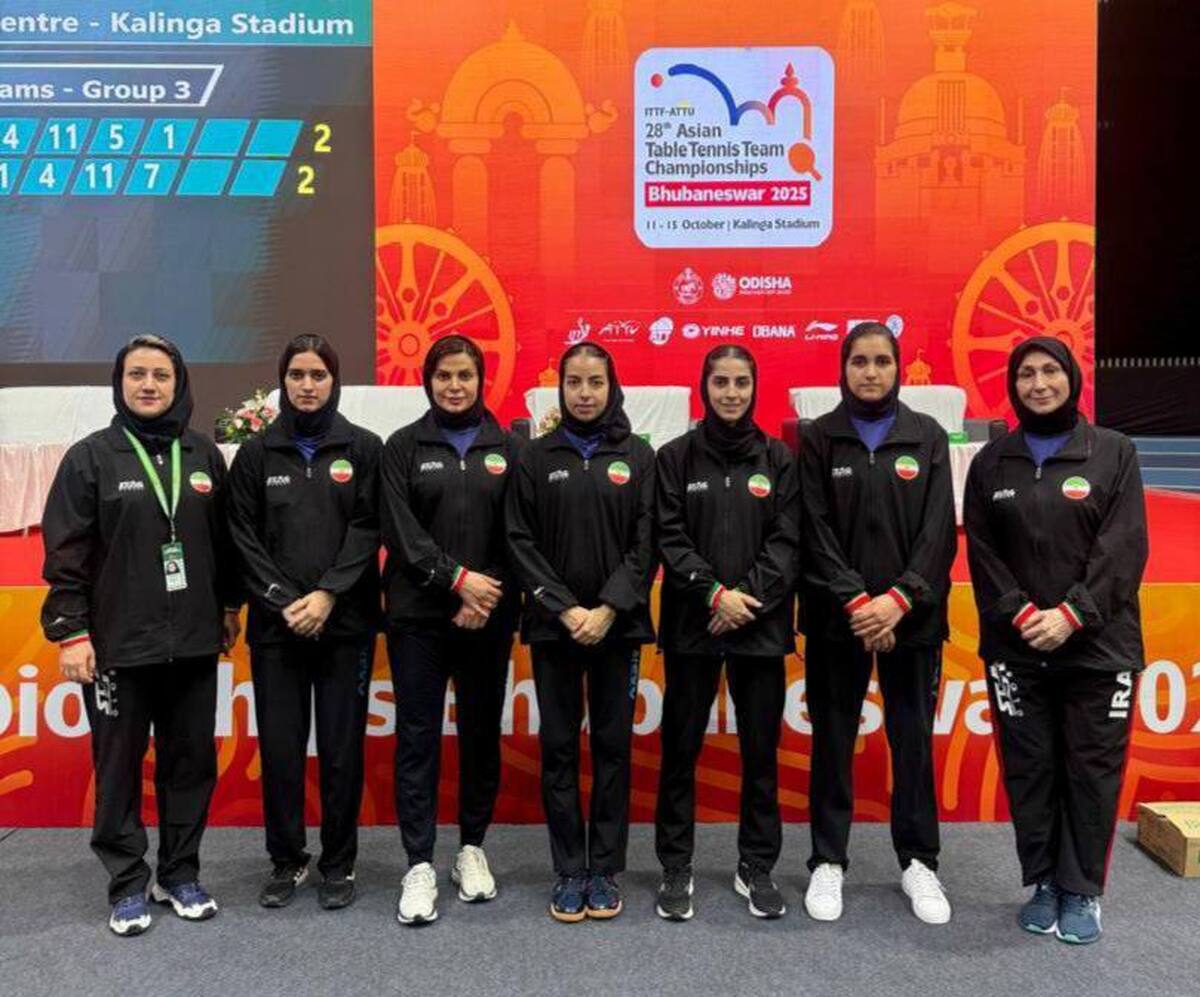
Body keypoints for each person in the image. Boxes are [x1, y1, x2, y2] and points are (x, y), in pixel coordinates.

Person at [41, 334, 241, 936]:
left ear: (178, 384)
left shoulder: (203, 454)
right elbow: (66, 553)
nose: (148, 385)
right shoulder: (90, 458)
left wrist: (229, 608)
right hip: (117, 648)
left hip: (195, 644)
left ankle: (179, 874)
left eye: (160, 375)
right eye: (136, 374)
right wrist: (71, 633)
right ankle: (128, 883)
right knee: (119, 769)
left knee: (190, 764)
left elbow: (225, 544)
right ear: (120, 382)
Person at [964, 337, 1148, 945]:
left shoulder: (1113, 451)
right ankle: (1044, 880)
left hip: (1099, 648)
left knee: (1091, 771)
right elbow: (984, 553)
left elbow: (1125, 547)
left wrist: (1072, 614)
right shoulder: (992, 461)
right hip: (1017, 648)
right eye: (1026, 374)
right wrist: (1021, 614)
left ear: (1071, 377)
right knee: (1031, 768)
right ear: (1012, 385)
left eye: (1050, 371)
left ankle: (1082, 889)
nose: (1039, 384)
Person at [798, 321, 957, 925]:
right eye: (860, 361)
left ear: (897, 367)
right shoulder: (819, 437)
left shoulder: (928, 435)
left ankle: (919, 861)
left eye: (882, 361)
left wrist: (899, 600)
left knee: (911, 740)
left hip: (911, 619)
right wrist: (859, 603)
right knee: (833, 738)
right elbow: (813, 529)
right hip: (838, 619)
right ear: (844, 369)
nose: (871, 372)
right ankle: (827, 860)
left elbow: (938, 532)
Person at [226, 334, 381, 911]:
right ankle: (286, 859)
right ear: (282, 381)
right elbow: (242, 535)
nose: (307, 385)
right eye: (297, 375)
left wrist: (327, 595)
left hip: (345, 625)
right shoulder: (256, 454)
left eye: (318, 374)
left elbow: (368, 527)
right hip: (277, 628)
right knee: (282, 750)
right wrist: (284, 600)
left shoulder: (364, 448)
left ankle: (339, 862)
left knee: (341, 752)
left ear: (334, 380)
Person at [506, 342, 656, 922]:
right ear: (560, 388)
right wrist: (566, 610)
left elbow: (647, 543)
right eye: (574, 382)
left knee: (614, 749)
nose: (585, 393)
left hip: (619, 628)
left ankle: (605, 869)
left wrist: (609, 608)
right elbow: (519, 540)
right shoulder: (535, 456)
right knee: (560, 748)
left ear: (612, 387)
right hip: (555, 629)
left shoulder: (638, 456)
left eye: (596, 382)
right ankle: (569, 868)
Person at [653, 345, 799, 921]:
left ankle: (756, 865)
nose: (731, 393)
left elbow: (788, 540)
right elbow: (668, 536)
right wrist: (713, 593)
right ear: (704, 387)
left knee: (760, 753)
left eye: (741, 382)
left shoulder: (780, 458)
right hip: (694, 624)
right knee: (679, 750)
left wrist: (744, 599)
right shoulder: (674, 458)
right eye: (721, 382)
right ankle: (676, 865)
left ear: (754, 387)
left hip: (759, 627)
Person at [381, 334, 522, 926]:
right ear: (428, 381)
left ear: (481, 379)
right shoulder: (403, 446)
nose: (455, 386)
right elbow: (400, 532)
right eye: (444, 376)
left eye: (465, 375)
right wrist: (456, 579)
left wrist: (484, 592)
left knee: (480, 734)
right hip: (419, 617)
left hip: (487, 615)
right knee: (417, 736)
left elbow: (521, 533)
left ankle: (471, 849)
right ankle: (418, 862)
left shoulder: (510, 447)